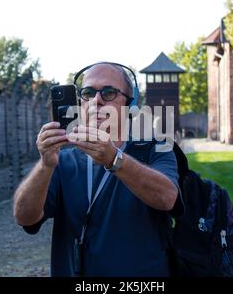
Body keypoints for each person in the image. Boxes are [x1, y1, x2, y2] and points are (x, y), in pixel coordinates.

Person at [13, 63, 181, 277]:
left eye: (109, 92)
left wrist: (114, 159)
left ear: (130, 103)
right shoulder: (62, 160)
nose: (96, 100)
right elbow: (25, 218)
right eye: (88, 92)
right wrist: (45, 166)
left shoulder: (156, 147)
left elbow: (168, 198)